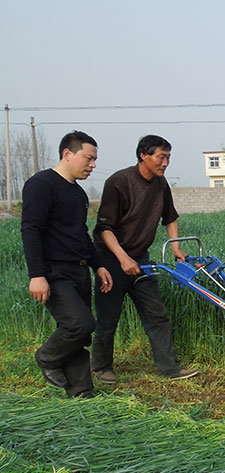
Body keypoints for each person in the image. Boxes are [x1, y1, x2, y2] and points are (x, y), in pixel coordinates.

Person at [91, 134, 197, 383]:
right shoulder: (119, 182)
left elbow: (170, 217)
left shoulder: (160, 184)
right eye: (161, 157)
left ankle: (169, 368)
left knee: (155, 313)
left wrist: (175, 248)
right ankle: (101, 367)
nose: (165, 163)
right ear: (144, 155)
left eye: (168, 157)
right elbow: (104, 228)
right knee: (108, 317)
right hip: (111, 260)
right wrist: (123, 258)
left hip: (142, 260)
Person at [21, 131, 113, 398]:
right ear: (67, 154)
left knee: (80, 335)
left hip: (79, 269)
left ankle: (82, 393)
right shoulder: (41, 185)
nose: (93, 165)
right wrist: (37, 275)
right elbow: (31, 230)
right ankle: (47, 357)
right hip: (54, 271)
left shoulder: (78, 194)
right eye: (89, 158)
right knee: (80, 324)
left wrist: (98, 265)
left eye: (95, 160)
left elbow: (81, 234)